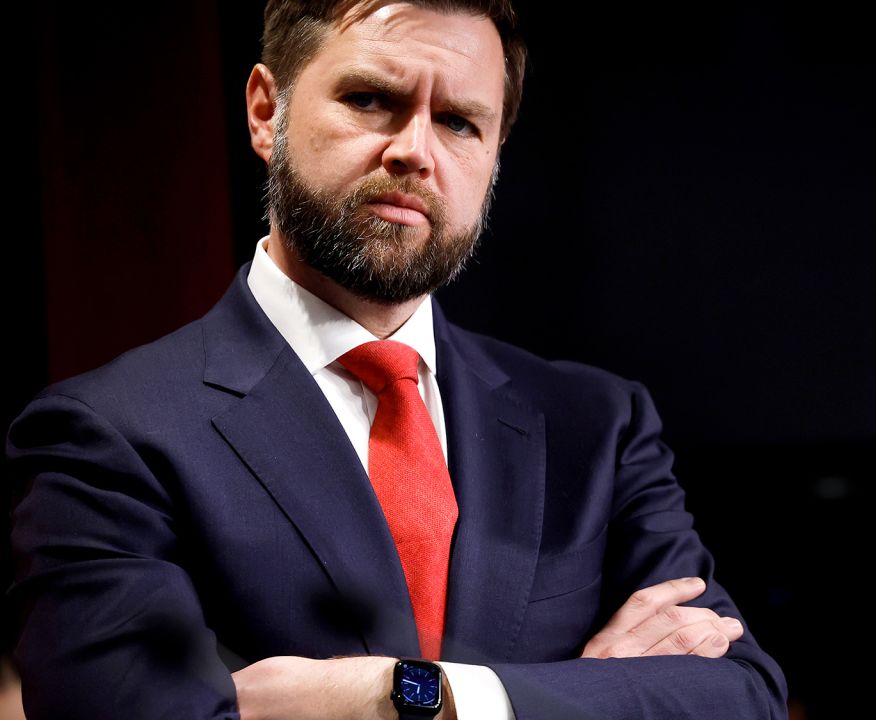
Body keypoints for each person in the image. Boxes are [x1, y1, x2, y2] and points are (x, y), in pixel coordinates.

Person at [5, 1, 786, 718]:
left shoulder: (599, 426)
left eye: (458, 122)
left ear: (495, 154)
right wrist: (586, 693)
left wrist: (414, 697)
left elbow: (740, 695)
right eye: (372, 100)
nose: (415, 152)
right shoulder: (104, 436)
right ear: (265, 110)